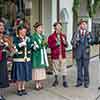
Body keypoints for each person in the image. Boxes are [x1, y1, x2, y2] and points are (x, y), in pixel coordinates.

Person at [71, 19, 94, 88]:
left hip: (86, 54)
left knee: (86, 69)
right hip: (78, 54)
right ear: (80, 25)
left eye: (85, 24)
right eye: (83, 24)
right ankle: (79, 82)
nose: (84, 25)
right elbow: (72, 42)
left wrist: (90, 39)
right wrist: (76, 41)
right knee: (79, 69)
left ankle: (86, 82)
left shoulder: (89, 33)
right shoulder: (76, 33)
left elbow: (93, 41)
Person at [11, 23, 32, 96]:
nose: (24, 33)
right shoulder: (15, 38)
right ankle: (19, 89)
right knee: (19, 76)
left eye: (25, 31)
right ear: (19, 31)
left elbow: (30, 47)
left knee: (25, 75)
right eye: (23, 31)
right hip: (18, 60)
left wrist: (30, 43)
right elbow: (14, 47)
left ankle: (23, 88)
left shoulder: (27, 38)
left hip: (26, 59)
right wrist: (20, 45)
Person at [48, 22, 68, 88]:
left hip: (62, 54)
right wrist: (56, 44)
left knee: (64, 68)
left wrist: (65, 42)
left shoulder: (63, 36)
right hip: (55, 55)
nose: (59, 27)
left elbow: (66, 45)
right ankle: (56, 80)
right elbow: (49, 45)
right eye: (58, 26)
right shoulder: (51, 36)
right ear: (55, 27)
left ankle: (64, 81)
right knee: (55, 69)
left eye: (60, 26)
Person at [31, 22, 49, 90]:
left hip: (42, 54)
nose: (40, 29)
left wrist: (46, 44)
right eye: (39, 28)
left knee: (41, 70)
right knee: (37, 70)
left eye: (41, 28)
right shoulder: (33, 36)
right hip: (36, 55)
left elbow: (45, 45)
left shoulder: (42, 36)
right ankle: (36, 84)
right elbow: (34, 46)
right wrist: (39, 45)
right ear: (36, 28)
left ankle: (40, 83)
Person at [0, 20, 9, 100]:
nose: (2, 27)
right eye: (0, 25)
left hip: (2, 58)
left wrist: (7, 46)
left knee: (2, 76)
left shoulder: (4, 36)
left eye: (2, 25)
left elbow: (10, 48)